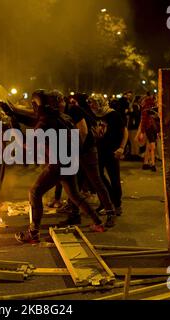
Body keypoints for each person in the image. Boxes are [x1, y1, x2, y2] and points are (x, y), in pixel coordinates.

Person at [15, 90, 106, 244]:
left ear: (39, 105)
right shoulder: (63, 117)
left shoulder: (45, 121)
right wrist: (14, 114)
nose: (33, 108)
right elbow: (33, 120)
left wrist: (13, 129)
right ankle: (98, 223)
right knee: (75, 195)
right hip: (70, 161)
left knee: (35, 192)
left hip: (57, 163)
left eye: (34, 104)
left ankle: (33, 233)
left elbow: (27, 144)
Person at [52, 91, 116, 228]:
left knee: (96, 181)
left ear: (62, 101)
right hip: (77, 151)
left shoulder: (73, 110)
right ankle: (74, 215)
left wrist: (74, 151)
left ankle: (111, 213)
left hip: (87, 150)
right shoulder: (58, 113)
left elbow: (84, 131)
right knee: (74, 185)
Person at [89, 94, 128, 217]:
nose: (91, 106)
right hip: (98, 152)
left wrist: (121, 148)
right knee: (99, 178)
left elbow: (124, 131)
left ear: (100, 103)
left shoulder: (113, 115)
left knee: (114, 178)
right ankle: (105, 202)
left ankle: (117, 204)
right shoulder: (93, 115)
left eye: (94, 103)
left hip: (112, 151)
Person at [137, 92, 158, 172]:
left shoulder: (149, 108)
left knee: (149, 147)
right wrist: (142, 132)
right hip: (150, 128)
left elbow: (143, 120)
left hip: (152, 128)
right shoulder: (148, 108)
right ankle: (152, 164)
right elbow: (144, 120)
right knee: (152, 146)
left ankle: (146, 163)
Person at [127, 95, 142, 161]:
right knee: (134, 141)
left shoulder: (133, 106)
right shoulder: (136, 106)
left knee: (133, 141)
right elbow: (136, 115)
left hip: (133, 126)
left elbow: (133, 115)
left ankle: (134, 154)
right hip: (134, 126)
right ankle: (135, 155)